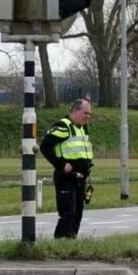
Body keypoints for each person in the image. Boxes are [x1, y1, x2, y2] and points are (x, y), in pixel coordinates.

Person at [40, 98, 94, 239]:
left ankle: (70, 242)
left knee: (77, 213)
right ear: (75, 111)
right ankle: (60, 243)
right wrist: (61, 164)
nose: (87, 117)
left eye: (89, 114)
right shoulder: (64, 126)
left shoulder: (82, 127)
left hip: (80, 178)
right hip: (66, 178)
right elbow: (45, 146)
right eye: (85, 113)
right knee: (68, 213)